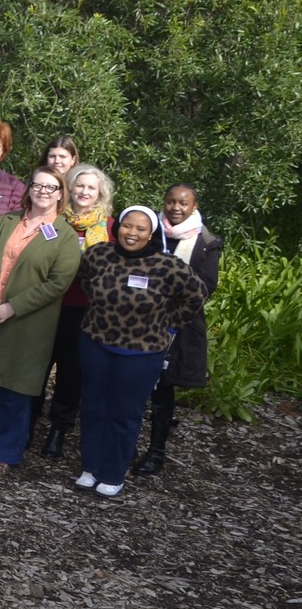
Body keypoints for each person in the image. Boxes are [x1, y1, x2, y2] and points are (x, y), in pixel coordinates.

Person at [73, 205, 206, 496]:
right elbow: (84, 280)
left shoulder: (167, 266)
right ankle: (90, 467)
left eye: (140, 228)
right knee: (93, 407)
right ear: (118, 227)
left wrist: (170, 327)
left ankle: (113, 473)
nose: (131, 233)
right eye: (127, 226)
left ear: (151, 234)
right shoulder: (98, 254)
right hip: (96, 345)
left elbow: (196, 295)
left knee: (124, 413)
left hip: (141, 354)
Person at [0, 168, 83, 475]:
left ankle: (6, 452)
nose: (42, 191)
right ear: (29, 189)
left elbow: (58, 283)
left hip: (28, 323)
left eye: (50, 187)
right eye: (37, 185)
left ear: (60, 194)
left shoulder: (65, 235)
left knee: (15, 390)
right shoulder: (8, 221)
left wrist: (13, 307)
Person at [139, 184, 222, 474]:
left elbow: (205, 286)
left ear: (194, 206)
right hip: (136, 321)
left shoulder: (206, 242)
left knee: (163, 389)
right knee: (132, 385)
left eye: (183, 203)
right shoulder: (149, 230)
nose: (176, 207)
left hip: (176, 326)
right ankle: (124, 445)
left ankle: (156, 451)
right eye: (171, 201)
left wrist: (163, 294)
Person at [41, 162, 115, 459]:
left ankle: (59, 429)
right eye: (79, 185)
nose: (84, 192)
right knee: (37, 365)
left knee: (71, 372)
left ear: (100, 194)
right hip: (47, 304)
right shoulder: (53, 220)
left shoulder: (110, 227)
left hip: (85, 310)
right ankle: (26, 423)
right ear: (69, 189)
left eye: (91, 188)